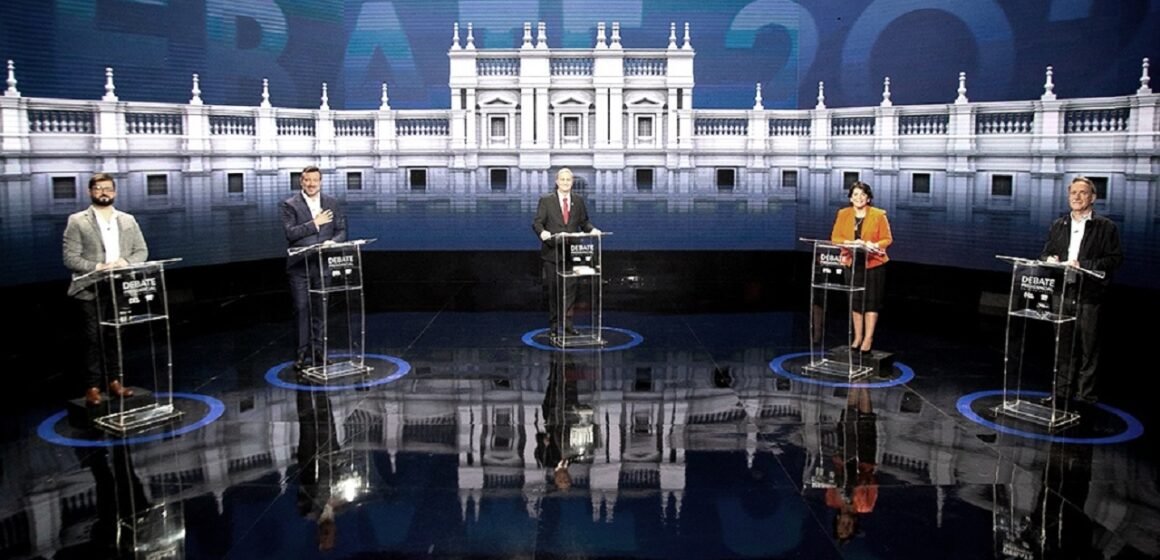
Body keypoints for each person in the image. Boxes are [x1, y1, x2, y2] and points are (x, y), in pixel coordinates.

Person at [63, 173, 148, 406]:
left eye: (108, 188)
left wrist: (125, 263)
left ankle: (115, 382)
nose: (104, 192)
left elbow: (141, 251)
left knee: (115, 336)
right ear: (90, 192)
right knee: (93, 339)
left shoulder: (128, 220)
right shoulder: (77, 220)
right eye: (99, 188)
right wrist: (98, 266)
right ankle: (92, 386)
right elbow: (70, 258)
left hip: (119, 286)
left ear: (115, 192)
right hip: (90, 288)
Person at [1039, 176, 1122, 406]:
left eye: (1082, 192)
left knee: (1088, 349)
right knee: (1063, 348)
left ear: (1093, 197)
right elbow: (1044, 253)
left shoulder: (1105, 227)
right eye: (1073, 192)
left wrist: (1082, 264)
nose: (1076, 197)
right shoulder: (1059, 225)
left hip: (1089, 295)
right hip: (1063, 293)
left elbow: (1114, 259)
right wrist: (1050, 259)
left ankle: (1086, 397)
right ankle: (1061, 394)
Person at [282, 165, 347, 371]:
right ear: (301, 181)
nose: (311, 184)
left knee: (321, 309)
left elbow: (341, 230)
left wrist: (333, 242)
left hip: (322, 264)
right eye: (307, 180)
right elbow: (291, 234)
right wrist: (315, 223)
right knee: (302, 309)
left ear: (320, 181)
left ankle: (319, 351)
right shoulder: (289, 205)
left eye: (315, 180)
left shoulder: (331, 203)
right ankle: (302, 354)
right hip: (299, 267)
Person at [532, 168, 599, 340]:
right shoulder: (546, 200)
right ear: (556, 181)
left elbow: (584, 223)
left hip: (572, 253)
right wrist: (543, 233)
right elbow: (537, 223)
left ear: (572, 182)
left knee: (570, 292)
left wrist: (593, 230)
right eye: (562, 180)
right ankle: (554, 327)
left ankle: (568, 326)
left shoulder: (578, 200)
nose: (565, 183)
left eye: (568, 180)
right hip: (552, 253)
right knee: (554, 292)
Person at [830, 181, 892, 355]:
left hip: (873, 263)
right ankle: (857, 337)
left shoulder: (879, 215)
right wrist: (849, 243)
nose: (859, 198)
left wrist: (872, 244)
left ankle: (868, 338)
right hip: (852, 262)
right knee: (855, 302)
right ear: (850, 198)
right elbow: (835, 237)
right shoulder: (843, 214)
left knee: (871, 302)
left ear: (868, 198)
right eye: (855, 194)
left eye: (863, 195)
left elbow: (887, 239)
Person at [824, 381, 878, 545]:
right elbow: (874, 484)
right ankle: (865, 386)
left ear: (837, 521)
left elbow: (830, 479)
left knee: (848, 419)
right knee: (866, 422)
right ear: (854, 526)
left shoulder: (832, 501)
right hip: (865, 460)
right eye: (848, 530)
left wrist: (839, 480)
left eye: (841, 528)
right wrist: (860, 482)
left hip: (843, 458)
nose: (845, 527)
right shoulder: (866, 507)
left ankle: (855, 384)